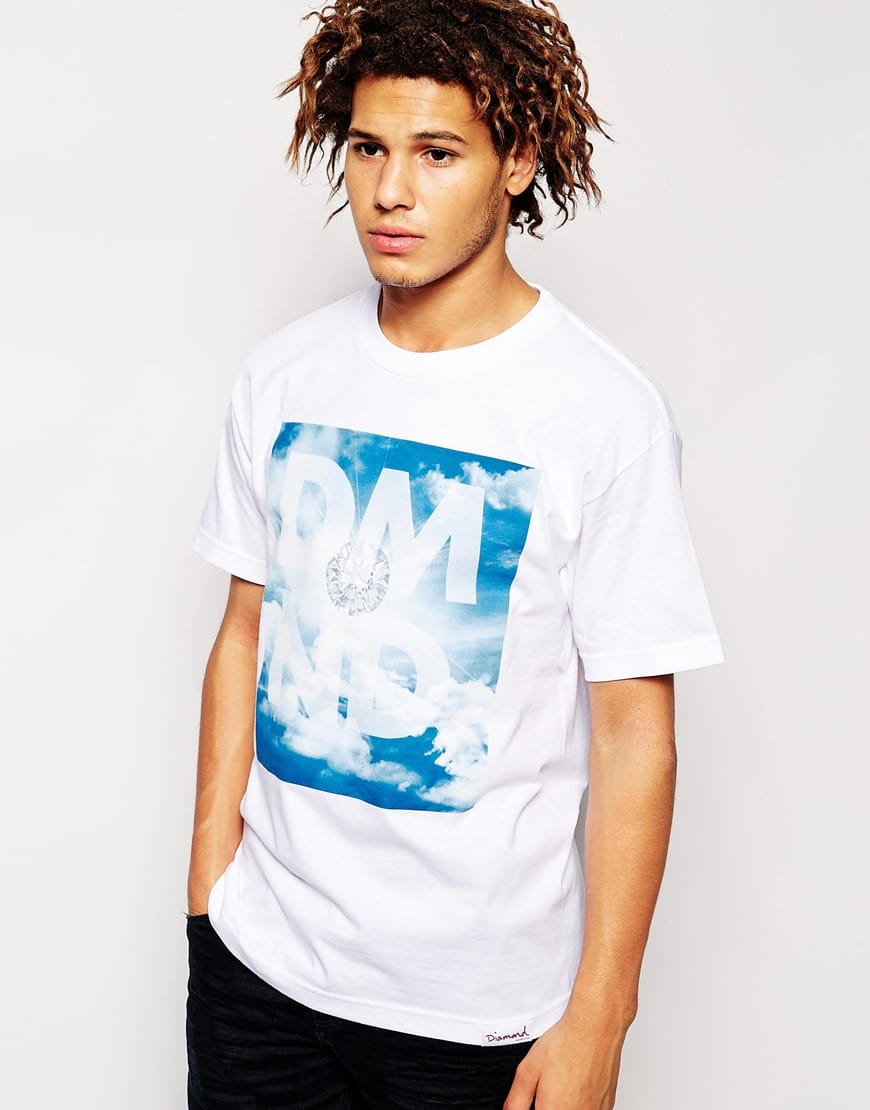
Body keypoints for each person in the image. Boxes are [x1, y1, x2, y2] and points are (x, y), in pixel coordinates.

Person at [185, 1, 724, 1107]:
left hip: (477, 1019)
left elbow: (635, 731)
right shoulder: (283, 376)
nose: (390, 190)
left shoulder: (601, 413)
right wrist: (208, 894)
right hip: (261, 976)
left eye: (437, 153)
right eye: (368, 149)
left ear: (517, 162)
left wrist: (602, 1017)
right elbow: (244, 632)